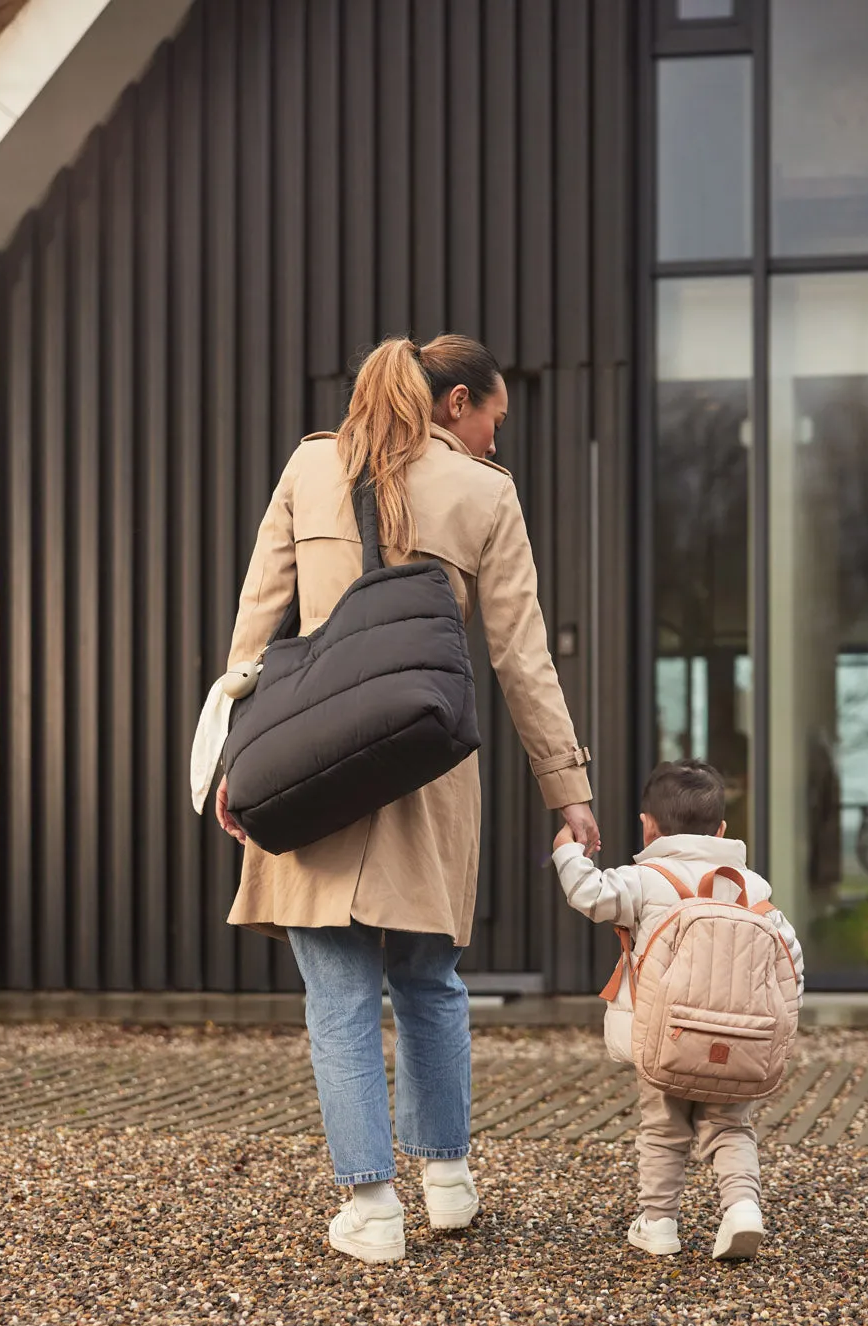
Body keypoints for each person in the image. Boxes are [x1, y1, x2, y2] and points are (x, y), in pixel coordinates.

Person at [215, 334, 599, 1264]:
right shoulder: (486, 494)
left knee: (339, 992)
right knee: (431, 980)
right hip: (428, 772)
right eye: (492, 423)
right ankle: (451, 1182)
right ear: (457, 403)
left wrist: (235, 758)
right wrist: (568, 789)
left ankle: (372, 1206)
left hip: (314, 757)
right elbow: (521, 657)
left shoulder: (313, 465)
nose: (494, 444)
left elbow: (254, 632)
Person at [551, 760, 803, 1260]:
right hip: (738, 1042)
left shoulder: (646, 879)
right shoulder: (751, 886)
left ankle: (660, 1223)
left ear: (648, 824)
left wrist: (566, 851)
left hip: (663, 1038)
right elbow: (788, 959)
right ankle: (741, 1207)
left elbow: (589, 894)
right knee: (731, 1126)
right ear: (723, 830)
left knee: (663, 1130)